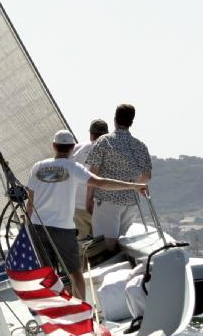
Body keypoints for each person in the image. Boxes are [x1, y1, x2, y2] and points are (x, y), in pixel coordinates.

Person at [26, 129, 150, 300]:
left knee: (47, 274)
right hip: (62, 230)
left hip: (37, 228)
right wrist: (134, 186)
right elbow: (101, 183)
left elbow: (30, 202)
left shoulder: (37, 167)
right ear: (72, 148)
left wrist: (28, 229)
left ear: (54, 146)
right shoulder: (73, 167)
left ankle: (53, 310)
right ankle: (82, 310)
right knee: (76, 274)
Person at [86, 104, 153, 251]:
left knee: (106, 243)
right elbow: (147, 175)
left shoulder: (104, 141)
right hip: (130, 201)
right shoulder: (140, 145)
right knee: (122, 242)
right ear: (131, 122)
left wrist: (89, 198)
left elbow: (93, 173)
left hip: (107, 198)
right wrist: (134, 186)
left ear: (115, 119)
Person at [72, 119, 109, 239]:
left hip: (77, 206)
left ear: (91, 134)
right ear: (107, 134)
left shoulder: (76, 148)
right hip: (100, 207)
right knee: (101, 243)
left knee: (81, 242)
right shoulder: (111, 151)